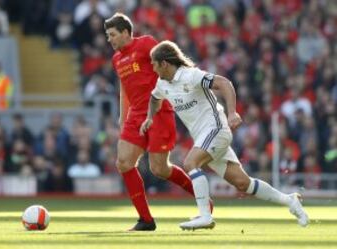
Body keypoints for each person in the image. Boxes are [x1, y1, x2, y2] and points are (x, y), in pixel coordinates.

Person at [140, 40, 309, 230]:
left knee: (190, 163)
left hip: (216, 128)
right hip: (203, 137)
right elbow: (155, 98)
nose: (152, 68)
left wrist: (232, 113)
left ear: (165, 63)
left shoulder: (190, 76)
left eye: (154, 63)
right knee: (243, 183)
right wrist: (149, 118)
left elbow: (224, 83)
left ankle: (205, 216)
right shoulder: (162, 83)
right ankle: (290, 201)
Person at [104, 13, 211, 231]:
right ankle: (145, 220)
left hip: (158, 110)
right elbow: (124, 88)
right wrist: (122, 118)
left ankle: (204, 201)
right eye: (108, 36)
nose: (110, 40)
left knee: (159, 169)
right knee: (123, 162)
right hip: (135, 115)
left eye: (113, 35)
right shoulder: (116, 59)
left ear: (126, 33)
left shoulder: (146, 44)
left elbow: (171, 67)